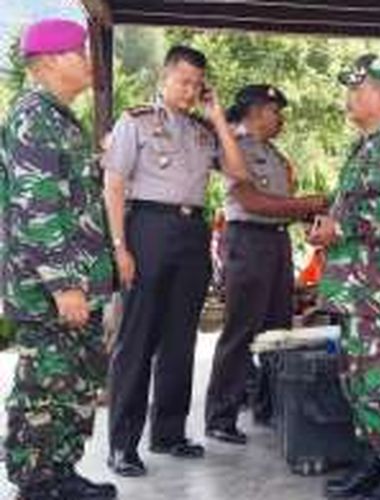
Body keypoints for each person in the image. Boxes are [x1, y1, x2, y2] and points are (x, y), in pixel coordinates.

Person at [102, 45, 248, 477]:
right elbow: (113, 184)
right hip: (147, 226)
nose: (189, 91)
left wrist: (219, 116)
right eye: (183, 81)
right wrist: (119, 246)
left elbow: (240, 173)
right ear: (165, 77)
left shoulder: (205, 131)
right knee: (137, 341)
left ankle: (168, 433)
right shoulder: (136, 120)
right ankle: (122, 446)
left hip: (191, 233)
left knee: (180, 340)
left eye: (197, 85)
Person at [0, 19, 116, 499]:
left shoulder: (59, 118)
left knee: (71, 386)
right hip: (52, 290)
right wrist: (63, 285)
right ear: (47, 62)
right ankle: (37, 481)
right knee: (44, 389)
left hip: (73, 286)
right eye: (78, 52)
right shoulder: (34, 117)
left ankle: (60, 473)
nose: (88, 61)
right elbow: (37, 209)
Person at [309, 54, 380, 500]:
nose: (349, 98)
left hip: (379, 292)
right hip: (360, 290)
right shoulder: (368, 148)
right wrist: (332, 225)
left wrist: (342, 226)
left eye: (357, 89)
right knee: (358, 381)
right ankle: (375, 461)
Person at [204, 84, 327, 443]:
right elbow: (253, 202)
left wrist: (312, 215)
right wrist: (308, 204)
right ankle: (220, 416)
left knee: (277, 330)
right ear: (257, 111)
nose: (281, 119)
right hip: (248, 241)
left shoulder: (272, 153)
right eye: (276, 111)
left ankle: (269, 407)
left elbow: (281, 204)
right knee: (242, 330)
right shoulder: (235, 148)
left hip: (276, 242)